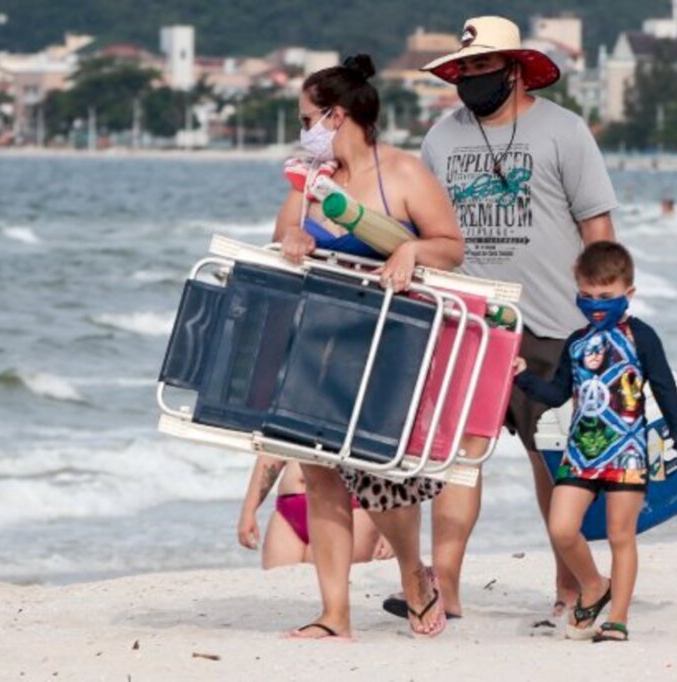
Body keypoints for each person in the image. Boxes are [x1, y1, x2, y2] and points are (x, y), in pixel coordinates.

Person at [395, 16, 619, 623]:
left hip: (553, 321)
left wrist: (606, 312)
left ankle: (570, 589)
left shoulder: (564, 131)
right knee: (459, 459)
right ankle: (446, 588)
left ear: (514, 69)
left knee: (551, 459)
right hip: (467, 319)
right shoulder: (442, 137)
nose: (470, 77)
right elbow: (423, 227)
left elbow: (596, 226)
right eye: (463, 67)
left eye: (481, 67)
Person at [273, 54, 465, 640]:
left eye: (308, 117)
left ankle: (414, 573)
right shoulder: (310, 180)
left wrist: (410, 250)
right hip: (318, 340)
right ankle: (335, 615)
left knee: (382, 483)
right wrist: (297, 236)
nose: (302, 130)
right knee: (321, 475)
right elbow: (282, 235)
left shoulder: (402, 173)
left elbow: (451, 247)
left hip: (386, 343)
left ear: (336, 115)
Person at [512, 241, 677, 641]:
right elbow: (557, 395)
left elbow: (664, 391)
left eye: (605, 296)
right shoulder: (575, 342)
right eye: (586, 296)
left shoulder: (642, 337)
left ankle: (617, 618)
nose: (595, 304)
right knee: (563, 529)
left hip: (627, 455)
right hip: (581, 454)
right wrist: (521, 375)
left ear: (629, 294)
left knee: (621, 536)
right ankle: (594, 585)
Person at [237, 457, 393, 568]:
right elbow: (270, 453)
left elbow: (387, 453)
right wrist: (249, 510)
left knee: (327, 591)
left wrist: (391, 530)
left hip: (347, 507)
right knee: (278, 587)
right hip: (289, 509)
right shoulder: (293, 408)